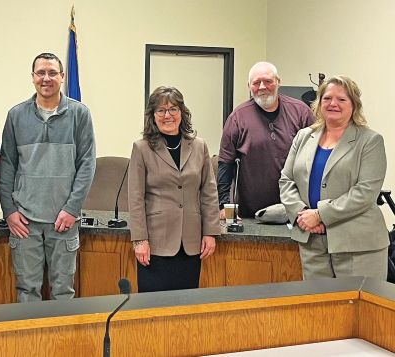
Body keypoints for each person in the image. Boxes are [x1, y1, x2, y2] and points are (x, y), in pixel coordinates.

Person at [0, 53, 95, 302]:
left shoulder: (79, 114)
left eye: (52, 72)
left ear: (62, 77)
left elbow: (87, 165)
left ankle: (62, 343)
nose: (46, 78)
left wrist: (72, 209)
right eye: (41, 72)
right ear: (32, 78)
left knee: (63, 291)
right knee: (27, 291)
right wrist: (9, 211)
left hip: (64, 220)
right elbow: (7, 165)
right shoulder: (16, 115)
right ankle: (31, 343)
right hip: (25, 222)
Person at [279, 75, 388, 280]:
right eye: (327, 98)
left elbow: (365, 192)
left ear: (354, 105)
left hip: (358, 246)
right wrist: (302, 214)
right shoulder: (303, 136)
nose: (333, 104)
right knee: (318, 309)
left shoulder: (370, 141)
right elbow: (286, 180)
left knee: (358, 311)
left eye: (341, 99)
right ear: (318, 103)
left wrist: (320, 214)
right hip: (311, 239)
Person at [128, 86, 219, 293]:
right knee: (153, 308)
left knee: (185, 310)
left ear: (182, 113)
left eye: (173, 109)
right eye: (161, 110)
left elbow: (208, 192)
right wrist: (139, 240)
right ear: (152, 115)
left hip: (191, 241)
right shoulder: (141, 148)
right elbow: (135, 198)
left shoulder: (199, 146)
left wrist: (211, 232)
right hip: (156, 242)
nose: (167, 115)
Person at [218, 62, 314, 218]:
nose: (262, 87)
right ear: (249, 86)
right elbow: (225, 164)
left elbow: (316, 159)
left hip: (297, 210)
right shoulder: (237, 118)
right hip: (250, 211)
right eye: (256, 83)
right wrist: (223, 205)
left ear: (278, 82)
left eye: (268, 81)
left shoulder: (302, 113)